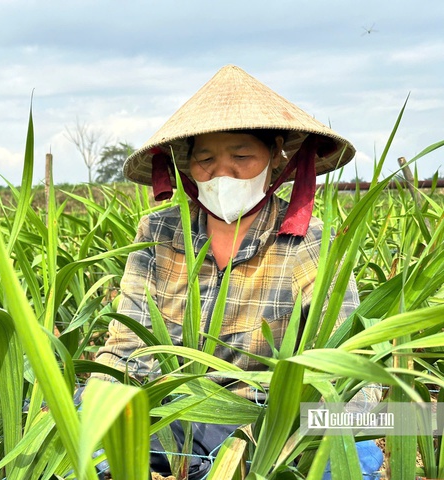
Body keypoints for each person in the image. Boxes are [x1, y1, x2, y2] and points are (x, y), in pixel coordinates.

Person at [91, 65, 383, 479]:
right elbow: (125, 348)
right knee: (79, 426)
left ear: (275, 152)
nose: (222, 172)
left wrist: (332, 424)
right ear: (188, 165)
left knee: (362, 446)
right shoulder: (158, 231)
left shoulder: (310, 242)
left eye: (241, 156)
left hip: (261, 418)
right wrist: (99, 402)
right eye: (206, 159)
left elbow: (346, 361)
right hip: (167, 412)